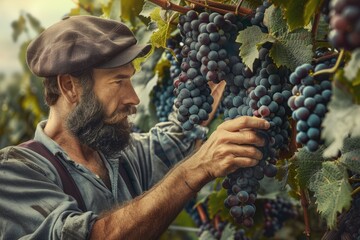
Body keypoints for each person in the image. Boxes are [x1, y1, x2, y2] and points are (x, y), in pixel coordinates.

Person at [0, 15, 269, 239]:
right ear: (70, 86)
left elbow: (172, 140)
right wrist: (196, 169)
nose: (134, 98)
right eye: (118, 82)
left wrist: (200, 96)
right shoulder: (14, 172)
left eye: (130, 80)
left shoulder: (118, 154)